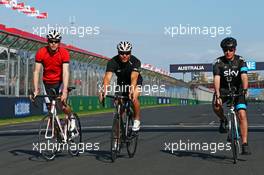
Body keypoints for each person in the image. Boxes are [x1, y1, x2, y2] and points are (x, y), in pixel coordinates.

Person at [212, 37, 251, 155]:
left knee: (242, 114)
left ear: (235, 49)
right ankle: (223, 120)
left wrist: (244, 89)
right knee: (216, 105)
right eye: (225, 50)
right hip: (223, 90)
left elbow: (244, 76)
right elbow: (216, 79)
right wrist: (218, 95)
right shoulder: (218, 62)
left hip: (238, 89)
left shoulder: (240, 61)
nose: (228, 52)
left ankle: (244, 144)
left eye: (231, 49)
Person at [31, 30, 75, 131]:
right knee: (51, 111)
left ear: (59, 42)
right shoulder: (41, 52)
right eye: (51, 41)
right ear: (48, 41)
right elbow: (36, 71)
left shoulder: (64, 53)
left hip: (59, 83)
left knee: (63, 105)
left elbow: (65, 72)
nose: (53, 44)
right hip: (47, 83)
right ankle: (57, 136)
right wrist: (36, 89)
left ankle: (71, 117)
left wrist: (64, 91)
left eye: (56, 41)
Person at [99, 41, 143, 132]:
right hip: (122, 82)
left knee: (133, 98)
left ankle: (137, 119)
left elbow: (134, 77)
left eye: (127, 53)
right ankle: (118, 132)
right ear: (118, 52)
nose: (124, 55)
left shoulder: (136, 61)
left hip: (135, 81)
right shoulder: (112, 62)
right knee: (118, 103)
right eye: (121, 53)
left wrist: (131, 89)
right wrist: (104, 90)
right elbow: (107, 78)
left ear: (130, 53)